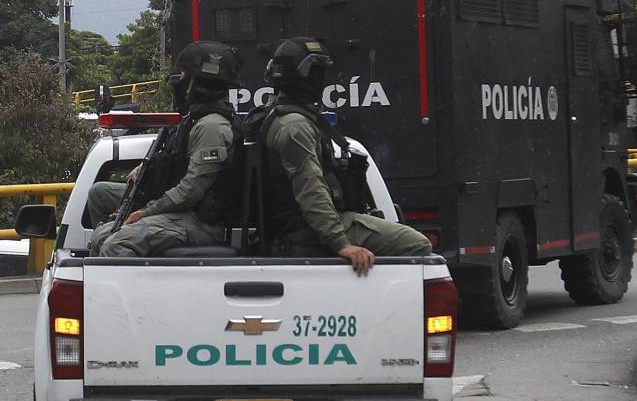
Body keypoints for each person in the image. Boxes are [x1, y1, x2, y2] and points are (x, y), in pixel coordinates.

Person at [260, 37, 432, 275]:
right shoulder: (295, 126)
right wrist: (341, 244)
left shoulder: (282, 118)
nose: (321, 79)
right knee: (417, 245)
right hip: (304, 228)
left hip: (300, 224)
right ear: (305, 74)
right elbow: (311, 190)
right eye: (318, 71)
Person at [88, 41, 243, 257]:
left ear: (198, 84)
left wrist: (144, 212)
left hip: (199, 222)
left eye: (184, 80)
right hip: (180, 215)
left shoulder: (212, 126)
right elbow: (173, 165)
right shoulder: (193, 121)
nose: (178, 88)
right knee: (102, 235)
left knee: (117, 244)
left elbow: (191, 190)